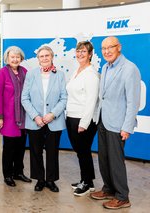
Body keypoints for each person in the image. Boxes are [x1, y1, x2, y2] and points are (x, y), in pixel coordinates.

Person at [90, 36, 141, 210]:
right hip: (103, 121)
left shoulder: (129, 69)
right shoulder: (105, 67)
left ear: (119, 47)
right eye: (103, 48)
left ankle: (122, 196)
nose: (106, 51)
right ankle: (109, 189)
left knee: (116, 161)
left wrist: (127, 127)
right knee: (104, 159)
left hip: (118, 124)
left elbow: (132, 102)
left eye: (110, 47)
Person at [21, 46, 67, 192]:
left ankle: (51, 180)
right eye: (42, 56)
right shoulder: (31, 75)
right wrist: (35, 116)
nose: (45, 58)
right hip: (35, 121)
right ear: (38, 59)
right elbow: (24, 98)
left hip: (54, 120)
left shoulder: (59, 75)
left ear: (52, 57)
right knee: (36, 151)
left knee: (52, 152)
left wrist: (52, 114)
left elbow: (64, 98)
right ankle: (40, 179)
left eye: (47, 55)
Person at [0, 46, 31, 187]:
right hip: (8, 117)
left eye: (17, 57)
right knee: (9, 148)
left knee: (21, 146)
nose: (15, 59)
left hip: (23, 116)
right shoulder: (1, 73)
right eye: (12, 57)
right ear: (7, 59)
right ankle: (8, 175)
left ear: (21, 58)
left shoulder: (25, 72)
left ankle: (18, 172)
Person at [66, 41, 100, 196]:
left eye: (84, 51)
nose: (80, 54)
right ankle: (88, 180)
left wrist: (84, 124)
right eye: (78, 51)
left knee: (83, 151)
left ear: (90, 54)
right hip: (72, 116)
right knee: (80, 151)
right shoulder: (78, 70)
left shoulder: (91, 74)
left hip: (83, 120)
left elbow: (91, 101)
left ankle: (86, 183)